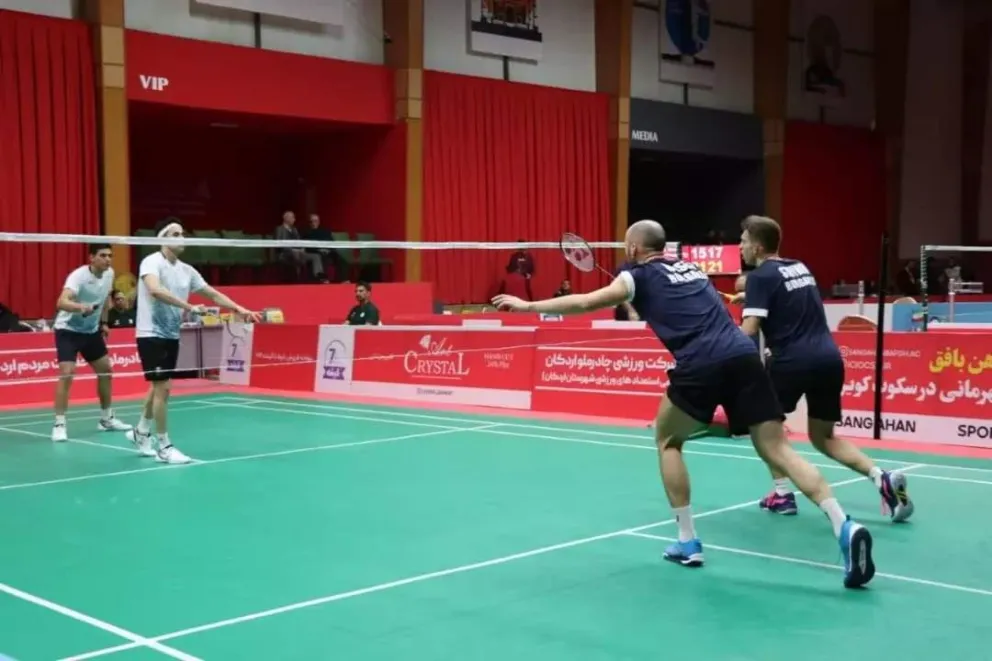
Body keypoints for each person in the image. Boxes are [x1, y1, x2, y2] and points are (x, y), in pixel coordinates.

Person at [493, 220, 876, 589]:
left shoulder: (634, 276)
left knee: (668, 440)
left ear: (632, 248)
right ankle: (843, 523)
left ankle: (688, 542)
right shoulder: (692, 270)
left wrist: (525, 306)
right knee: (778, 448)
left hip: (700, 362)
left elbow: (585, 301)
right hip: (744, 356)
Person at [739, 215, 914, 522]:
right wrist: (753, 297)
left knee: (765, 431)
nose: (740, 247)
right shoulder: (799, 267)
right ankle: (881, 477)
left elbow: (750, 329)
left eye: (742, 241)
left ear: (756, 246)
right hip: (829, 359)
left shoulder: (759, 278)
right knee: (824, 438)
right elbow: (787, 299)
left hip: (791, 361)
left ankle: (782, 495)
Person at [127, 219, 261, 464]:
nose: (181, 237)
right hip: (151, 333)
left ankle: (140, 432)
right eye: (175, 234)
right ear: (163, 238)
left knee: (159, 386)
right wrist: (190, 307)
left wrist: (241, 308)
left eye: (183, 234)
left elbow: (213, 294)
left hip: (171, 334)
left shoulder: (187, 270)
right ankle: (164, 446)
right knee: (163, 388)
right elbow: (155, 290)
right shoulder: (151, 261)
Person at [51, 244, 133, 442]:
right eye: (103, 255)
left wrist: (104, 322)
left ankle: (106, 419)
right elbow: (61, 303)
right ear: (91, 258)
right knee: (67, 373)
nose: (108, 259)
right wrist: (81, 307)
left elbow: (104, 299)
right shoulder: (78, 277)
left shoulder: (109, 274)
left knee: (106, 370)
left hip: (90, 331)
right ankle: (59, 424)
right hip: (68, 330)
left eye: (110, 256)